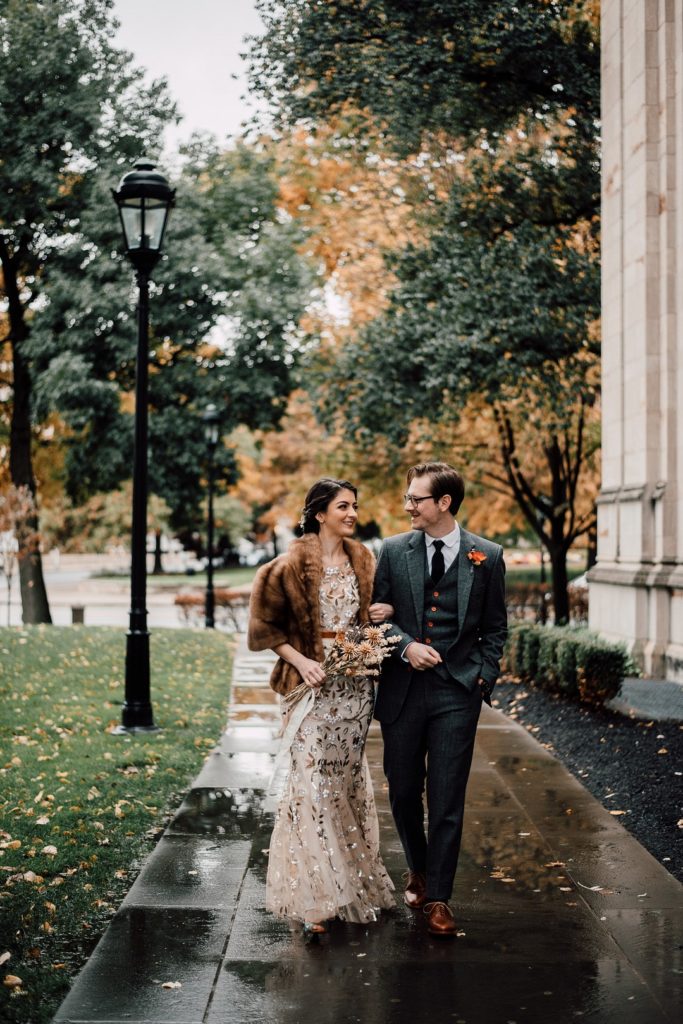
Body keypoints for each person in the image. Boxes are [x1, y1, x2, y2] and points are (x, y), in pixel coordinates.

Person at [248, 477, 395, 934]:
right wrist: (303, 661)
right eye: (343, 507)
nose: (352, 514)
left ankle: (349, 881)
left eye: (354, 506)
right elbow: (263, 630)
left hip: (355, 690)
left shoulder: (364, 560)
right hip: (310, 688)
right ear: (318, 513)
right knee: (310, 788)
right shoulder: (287, 565)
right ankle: (315, 894)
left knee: (344, 785)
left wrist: (380, 615)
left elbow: (371, 615)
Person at [372, 462, 507, 937]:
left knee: (448, 797)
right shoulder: (390, 551)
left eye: (416, 499)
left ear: (443, 503)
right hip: (403, 693)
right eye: (409, 498)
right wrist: (406, 645)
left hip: (457, 692)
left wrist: (481, 679)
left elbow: (495, 628)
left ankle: (439, 898)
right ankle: (418, 868)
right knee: (404, 791)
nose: (408, 506)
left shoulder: (487, 556)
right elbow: (376, 619)